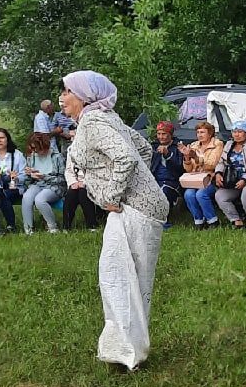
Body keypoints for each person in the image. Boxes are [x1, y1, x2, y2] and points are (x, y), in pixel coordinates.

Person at [61, 70, 169, 369]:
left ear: (84, 95)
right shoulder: (107, 118)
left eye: (67, 91)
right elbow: (144, 149)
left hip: (133, 208)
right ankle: (128, 349)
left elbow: (128, 157)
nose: (62, 97)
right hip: (141, 205)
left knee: (119, 277)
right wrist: (140, 184)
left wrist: (113, 194)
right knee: (124, 277)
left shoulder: (95, 122)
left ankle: (127, 353)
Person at [214, 121, 246, 227]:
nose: (236, 134)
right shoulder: (229, 145)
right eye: (234, 132)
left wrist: (245, 179)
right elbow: (222, 162)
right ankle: (235, 219)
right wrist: (218, 173)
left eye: (240, 132)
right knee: (220, 196)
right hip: (233, 180)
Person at [179, 121, 226, 227]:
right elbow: (188, 169)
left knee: (201, 194)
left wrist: (195, 157)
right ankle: (199, 220)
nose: (199, 135)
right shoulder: (193, 145)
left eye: (202, 132)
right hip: (195, 179)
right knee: (188, 194)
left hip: (211, 178)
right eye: (198, 132)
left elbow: (212, 165)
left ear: (210, 134)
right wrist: (187, 158)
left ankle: (212, 220)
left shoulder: (217, 144)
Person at [21, 131, 67, 233]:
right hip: (38, 184)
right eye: (33, 148)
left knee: (40, 199)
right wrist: (29, 174)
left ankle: (52, 227)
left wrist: (44, 177)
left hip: (54, 186)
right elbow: (29, 180)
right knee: (27, 197)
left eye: (37, 148)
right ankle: (28, 229)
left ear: (45, 146)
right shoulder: (32, 157)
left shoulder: (57, 157)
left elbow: (62, 180)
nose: (35, 151)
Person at [0, 128, 25, 233]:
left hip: (14, 187)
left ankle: (11, 225)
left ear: (7, 139)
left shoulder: (17, 155)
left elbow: (25, 176)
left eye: (1, 138)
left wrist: (16, 178)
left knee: (2, 194)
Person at [149, 121, 185, 221]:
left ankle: (164, 220)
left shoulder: (178, 147)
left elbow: (180, 168)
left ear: (170, 135)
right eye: (159, 134)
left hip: (172, 181)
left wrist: (168, 154)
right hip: (155, 180)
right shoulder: (153, 147)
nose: (161, 137)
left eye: (164, 134)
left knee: (163, 193)